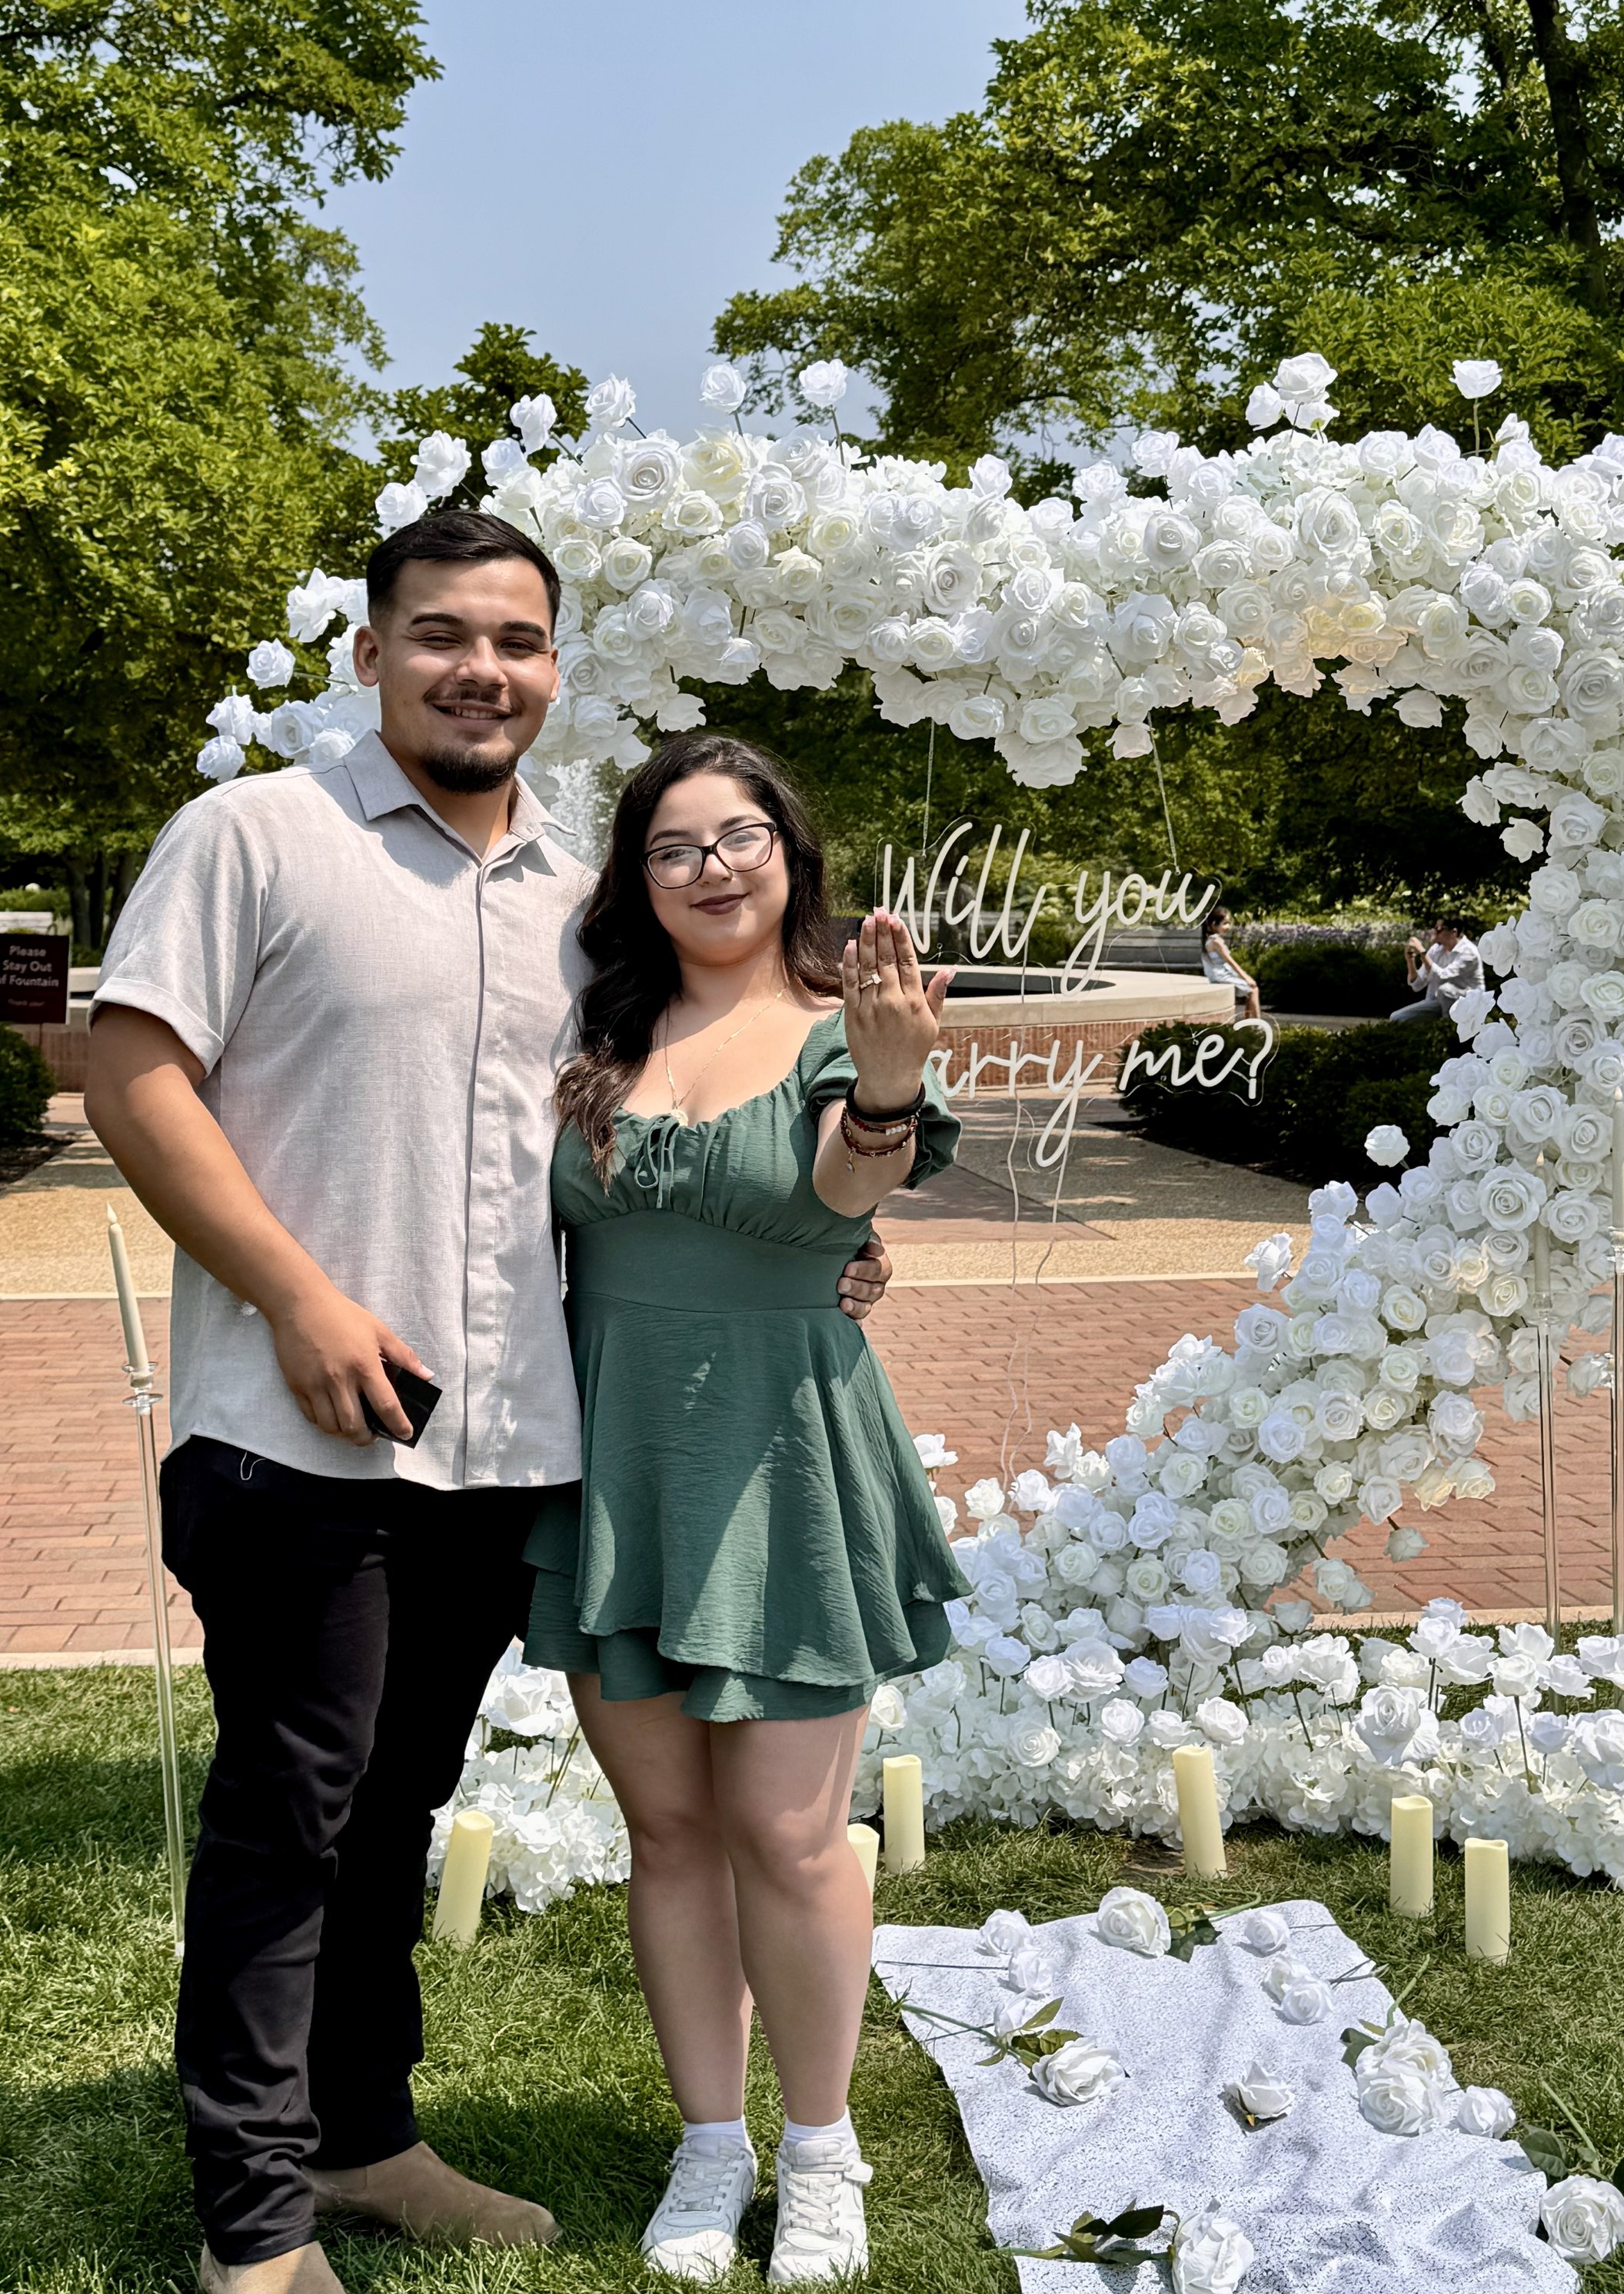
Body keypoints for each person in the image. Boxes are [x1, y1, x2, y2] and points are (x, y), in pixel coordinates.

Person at [83, 512, 893, 2294]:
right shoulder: (258, 839)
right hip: (295, 1436)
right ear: (368, 655)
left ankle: (364, 2137)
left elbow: (690, 1120)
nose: (482, 670)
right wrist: (296, 1295)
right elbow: (133, 1071)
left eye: (518, 642)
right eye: (442, 635)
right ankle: (257, 2220)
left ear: (551, 669)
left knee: (392, 1813)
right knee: (290, 1820)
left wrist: (815, 1254)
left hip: (505, 1449)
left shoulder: (579, 906)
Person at [522, 733, 968, 2286]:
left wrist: (891, 1089)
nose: (709, 864)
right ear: (637, 881)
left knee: (784, 1830)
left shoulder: (844, 1022)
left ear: (789, 849)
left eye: (737, 834)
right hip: (615, 1458)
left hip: (781, 1456)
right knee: (665, 1826)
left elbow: (847, 1194)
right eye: (671, 845)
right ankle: (707, 2144)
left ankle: (822, 2148)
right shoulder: (596, 1026)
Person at [1392, 911, 1483, 1023]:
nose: (1435, 933)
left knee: (1445, 989)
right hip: (1438, 1003)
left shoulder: (1469, 952)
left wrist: (1422, 953)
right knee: (1396, 1018)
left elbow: (1443, 977)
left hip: (1467, 1005)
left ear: (1454, 932)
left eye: (1439, 930)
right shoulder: (1435, 950)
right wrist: (1410, 961)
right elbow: (1417, 985)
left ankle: (1447, 1029)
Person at [1200, 906, 1261, 1021]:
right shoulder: (1216, 941)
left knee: (1250, 990)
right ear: (1214, 925)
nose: (1228, 927)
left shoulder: (1211, 939)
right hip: (1221, 976)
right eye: (1225, 923)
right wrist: (1246, 977)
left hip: (1219, 974)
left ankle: (1248, 1023)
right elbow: (1230, 961)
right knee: (1253, 989)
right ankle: (1258, 1023)